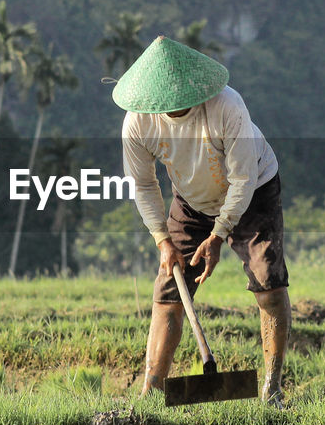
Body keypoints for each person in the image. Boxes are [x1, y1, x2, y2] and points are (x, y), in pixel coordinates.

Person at [111, 35, 290, 405]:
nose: (173, 107)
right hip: (190, 201)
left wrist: (220, 234)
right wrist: (163, 240)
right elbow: (143, 185)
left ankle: (271, 388)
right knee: (168, 293)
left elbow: (241, 179)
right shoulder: (137, 124)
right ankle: (152, 391)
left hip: (253, 190)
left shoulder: (226, 106)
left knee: (268, 284)